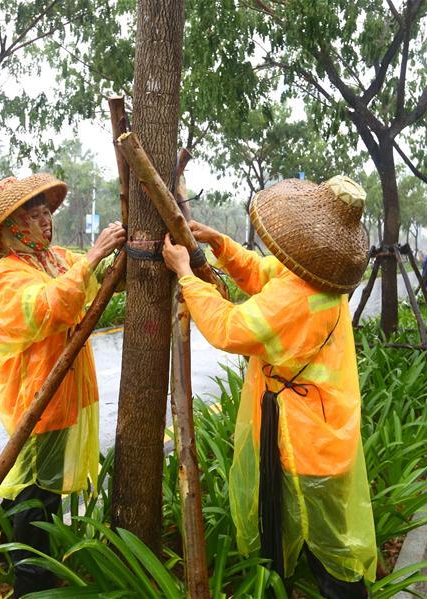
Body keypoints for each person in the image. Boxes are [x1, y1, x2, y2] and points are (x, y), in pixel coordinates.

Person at [162, 176, 376, 598]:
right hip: (321, 428)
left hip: (306, 440)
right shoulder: (320, 280)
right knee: (310, 529)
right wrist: (220, 242)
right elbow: (264, 272)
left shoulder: (294, 298)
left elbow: (228, 327)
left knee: (327, 549)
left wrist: (186, 274)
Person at [0, 174, 125, 594]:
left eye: (47, 214)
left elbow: (92, 284)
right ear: (12, 227)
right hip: (36, 398)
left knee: (31, 486)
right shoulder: (9, 273)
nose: (46, 223)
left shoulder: (53, 258)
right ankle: (28, 581)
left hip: (62, 395)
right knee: (34, 496)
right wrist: (95, 255)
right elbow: (49, 307)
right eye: (36, 215)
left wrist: (119, 258)